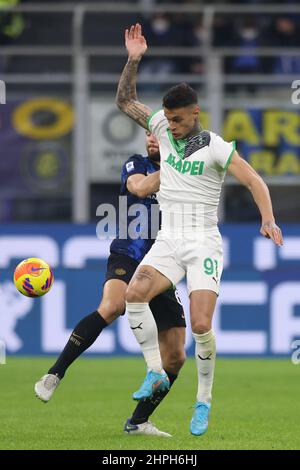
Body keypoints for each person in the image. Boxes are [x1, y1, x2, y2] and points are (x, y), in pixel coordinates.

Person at [116, 23, 284, 436]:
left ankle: (203, 401)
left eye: (176, 119)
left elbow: (254, 181)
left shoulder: (215, 146)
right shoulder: (159, 127)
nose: (169, 126)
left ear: (195, 113)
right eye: (167, 119)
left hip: (203, 240)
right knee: (133, 295)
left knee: (202, 324)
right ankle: (155, 372)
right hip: (169, 239)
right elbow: (125, 100)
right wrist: (133, 60)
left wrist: (268, 218)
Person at [34, 131, 186, 437]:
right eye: (149, 134)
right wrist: (176, 168)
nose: (153, 139)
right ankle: (54, 373)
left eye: (162, 134)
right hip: (128, 253)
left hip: (162, 264)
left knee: (176, 355)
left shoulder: (188, 171)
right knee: (113, 305)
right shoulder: (136, 164)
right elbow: (138, 188)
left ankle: (138, 421)